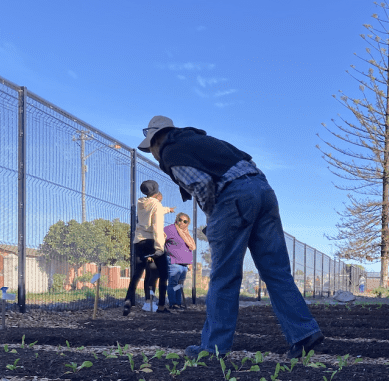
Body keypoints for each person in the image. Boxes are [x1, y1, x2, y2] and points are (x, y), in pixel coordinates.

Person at [137, 115, 323, 357]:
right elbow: (249, 163)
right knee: (276, 271)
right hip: (263, 190)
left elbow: (202, 184)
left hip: (233, 197)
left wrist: (214, 219)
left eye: (150, 148)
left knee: (224, 276)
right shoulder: (202, 141)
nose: (152, 153)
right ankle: (304, 333)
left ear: (156, 140)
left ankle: (212, 348)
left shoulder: (171, 150)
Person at [123, 180, 171, 315]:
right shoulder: (156, 205)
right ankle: (161, 306)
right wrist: (159, 247)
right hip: (151, 241)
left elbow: (157, 211)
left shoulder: (141, 202)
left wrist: (168, 209)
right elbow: (157, 227)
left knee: (137, 274)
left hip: (139, 241)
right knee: (163, 274)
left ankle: (127, 302)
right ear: (156, 190)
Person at [164, 211, 196, 310]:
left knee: (179, 284)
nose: (182, 222)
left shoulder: (186, 234)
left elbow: (189, 250)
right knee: (173, 283)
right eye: (180, 220)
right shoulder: (170, 229)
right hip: (174, 261)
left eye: (185, 221)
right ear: (176, 220)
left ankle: (178, 302)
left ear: (187, 224)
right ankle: (173, 303)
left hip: (184, 264)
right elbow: (160, 239)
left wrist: (190, 263)